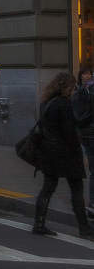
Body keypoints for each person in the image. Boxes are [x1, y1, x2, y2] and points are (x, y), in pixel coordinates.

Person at [32, 71, 93, 238]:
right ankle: (84, 228)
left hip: (49, 151)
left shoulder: (46, 102)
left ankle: (39, 223)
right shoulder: (63, 104)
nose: (73, 91)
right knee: (77, 190)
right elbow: (69, 131)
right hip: (66, 153)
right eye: (72, 87)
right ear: (65, 87)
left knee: (48, 188)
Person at [72, 64, 94, 220]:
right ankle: (92, 204)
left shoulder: (89, 91)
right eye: (85, 74)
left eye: (89, 74)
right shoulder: (80, 93)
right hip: (88, 135)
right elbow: (79, 117)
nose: (87, 76)